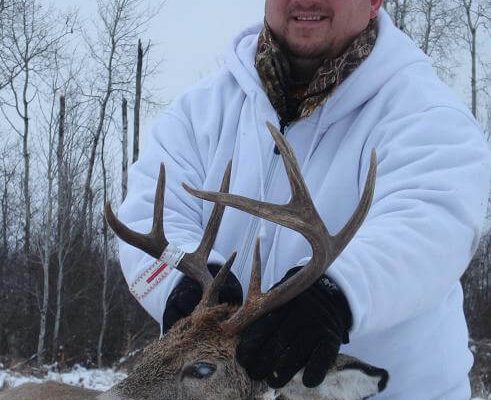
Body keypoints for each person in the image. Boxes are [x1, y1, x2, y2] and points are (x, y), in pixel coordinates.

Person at [117, 1, 491, 399]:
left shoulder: (424, 112)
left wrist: (337, 291)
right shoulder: (201, 110)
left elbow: (431, 222)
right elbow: (148, 211)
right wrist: (184, 278)